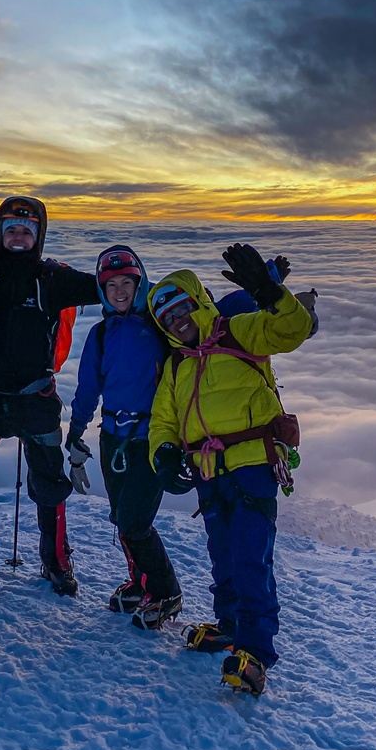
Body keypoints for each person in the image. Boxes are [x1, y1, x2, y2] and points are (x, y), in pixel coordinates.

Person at [148, 243, 313, 695]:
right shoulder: (177, 364)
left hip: (253, 464)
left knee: (249, 556)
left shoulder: (239, 331)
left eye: (181, 308)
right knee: (221, 552)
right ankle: (230, 626)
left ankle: (256, 653)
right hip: (207, 471)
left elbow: (293, 329)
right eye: (167, 318)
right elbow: (163, 418)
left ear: (197, 302)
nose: (177, 320)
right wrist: (162, 454)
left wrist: (266, 290)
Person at [0, 196, 100, 596]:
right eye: (10, 229)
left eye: (26, 230)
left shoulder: (53, 279)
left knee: (48, 483)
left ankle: (56, 561)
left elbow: (114, 284)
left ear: (38, 236)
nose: (17, 236)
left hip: (35, 397)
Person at [67, 245, 183, 629]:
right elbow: (88, 388)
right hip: (113, 437)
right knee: (123, 518)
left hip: (152, 437)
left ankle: (166, 591)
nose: (118, 291)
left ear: (140, 284)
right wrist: (76, 431)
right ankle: (142, 582)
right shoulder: (100, 335)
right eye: (110, 284)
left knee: (135, 521)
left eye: (126, 283)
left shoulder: (160, 329)